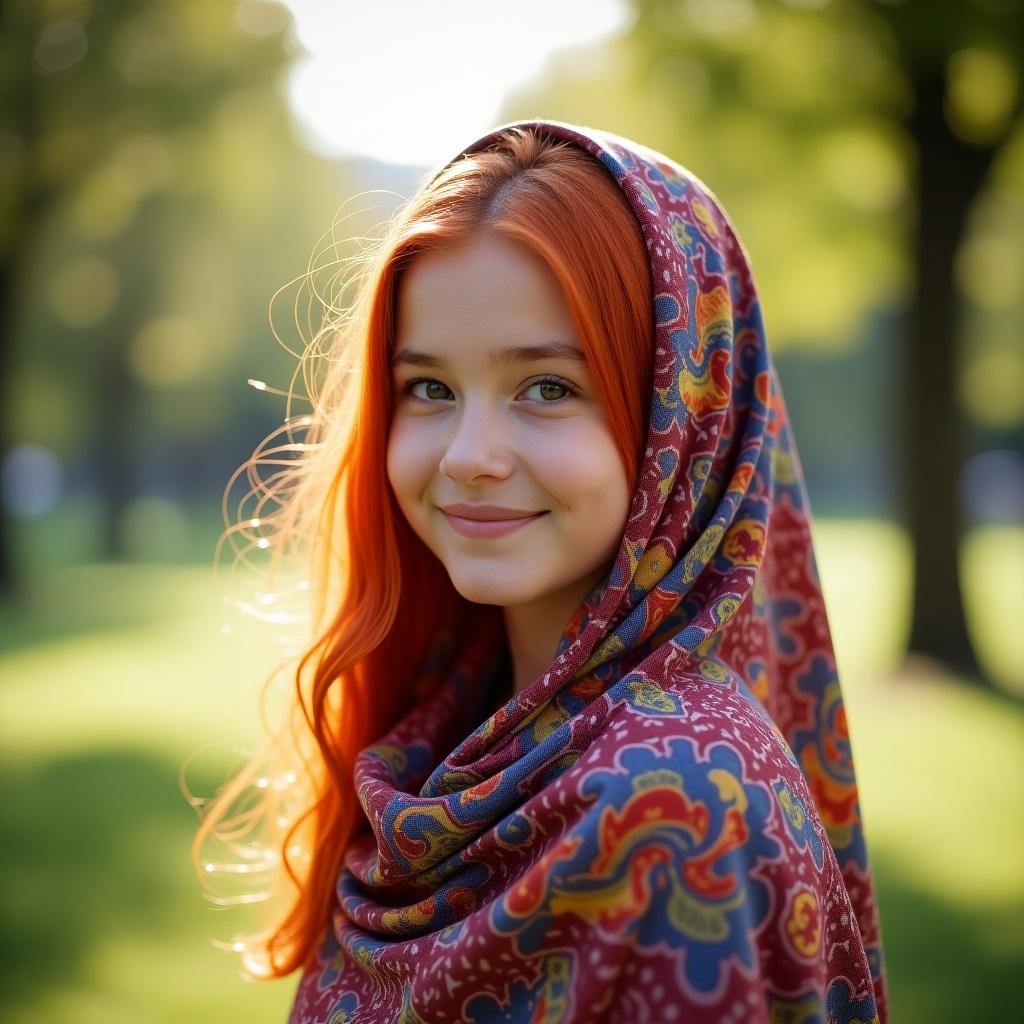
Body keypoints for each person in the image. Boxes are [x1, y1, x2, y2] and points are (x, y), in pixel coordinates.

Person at [193, 119, 888, 1023]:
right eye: (430, 389)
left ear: (685, 420)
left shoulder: (671, 816)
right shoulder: (441, 740)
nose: (470, 455)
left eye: (548, 388)